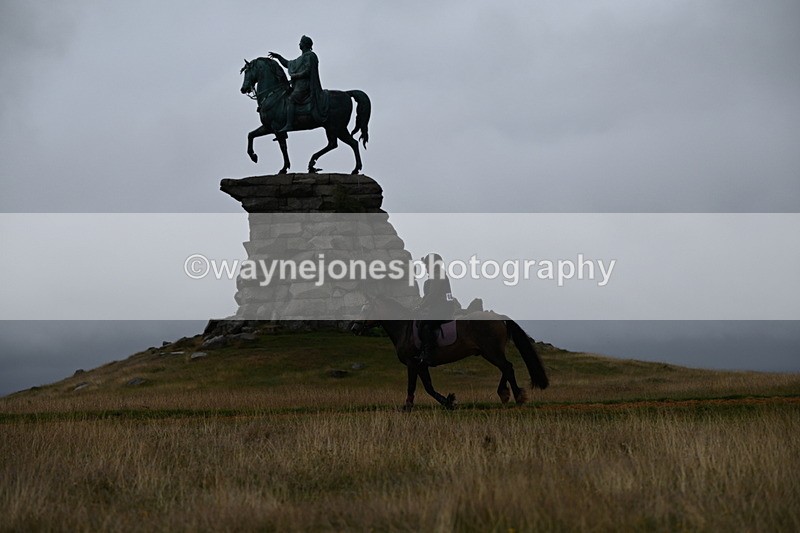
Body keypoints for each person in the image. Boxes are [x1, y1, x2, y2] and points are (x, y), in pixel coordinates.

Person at [268, 35, 328, 132]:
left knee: (291, 99)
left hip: (305, 86)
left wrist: (296, 76)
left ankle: (289, 124)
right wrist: (278, 57)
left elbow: (308, 71)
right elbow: (288, 64)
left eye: (301, 42)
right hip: (298, 86)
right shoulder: (300, 58)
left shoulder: (310, 56)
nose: (299, 44)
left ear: (305, 44)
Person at [415, 253, 455, 365]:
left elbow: (432, 296)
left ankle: (429, 355)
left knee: (426, 325)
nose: (426, 267)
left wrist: (420, 307)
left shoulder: (437, 276)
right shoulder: (436, 276)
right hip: (442, 308)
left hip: (442, 310)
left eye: (427, 265)